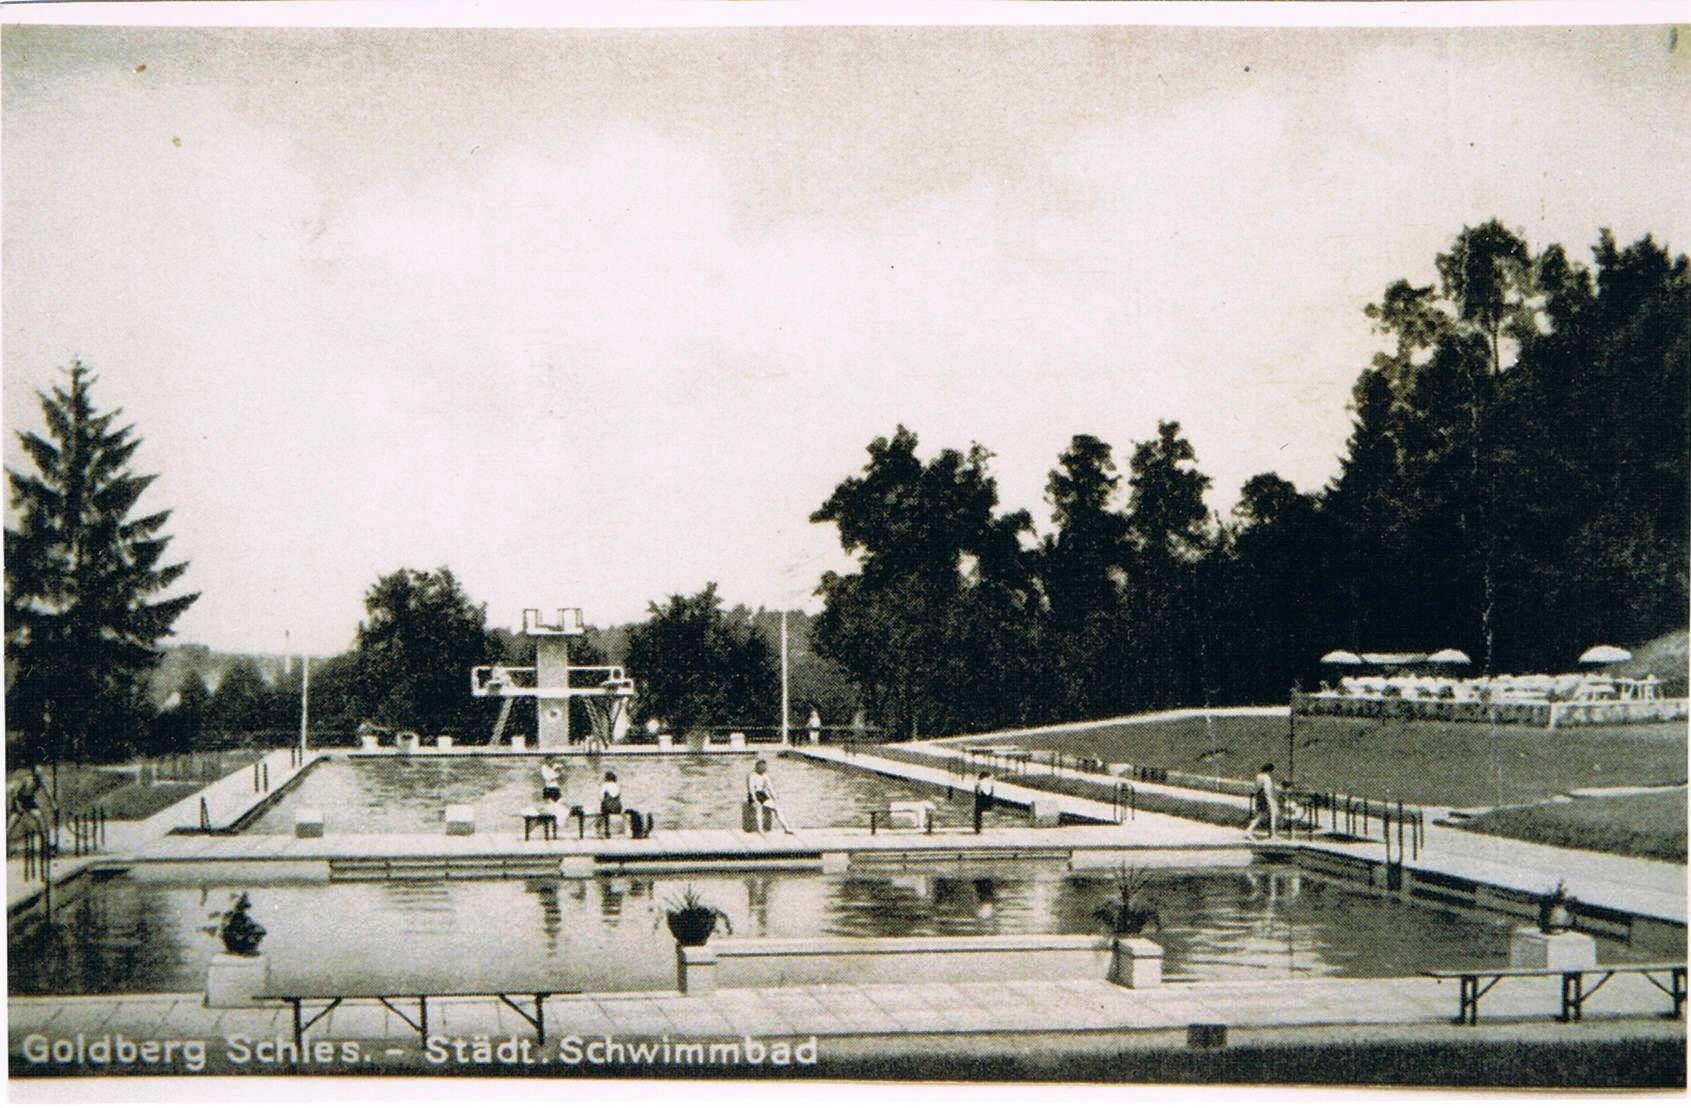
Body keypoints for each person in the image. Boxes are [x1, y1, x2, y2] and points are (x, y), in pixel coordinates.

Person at [745, 758, 794, 834]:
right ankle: (760, 830)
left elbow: (770, 789)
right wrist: (755, 799)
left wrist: (775, 797)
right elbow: (751, 789)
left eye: (764, 767)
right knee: (759, 808)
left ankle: (786, 828)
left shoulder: (765, 776)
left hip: (762, 795)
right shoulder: (752, 776)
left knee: (777, 809)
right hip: (754, 795)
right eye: (761, 767)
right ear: (757, 767)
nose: (763, 769)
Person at [1245, 762, 1277, 840]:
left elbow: (1256, 788)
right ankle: (1272, 834)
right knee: (1271, 814)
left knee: (1260, 815)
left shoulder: (1258, 776)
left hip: (1259, 797)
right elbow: (1266, 790)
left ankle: (1249, 831)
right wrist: (1270, 801)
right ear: (1269, 770)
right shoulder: (1266, 778)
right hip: (1265, 798)